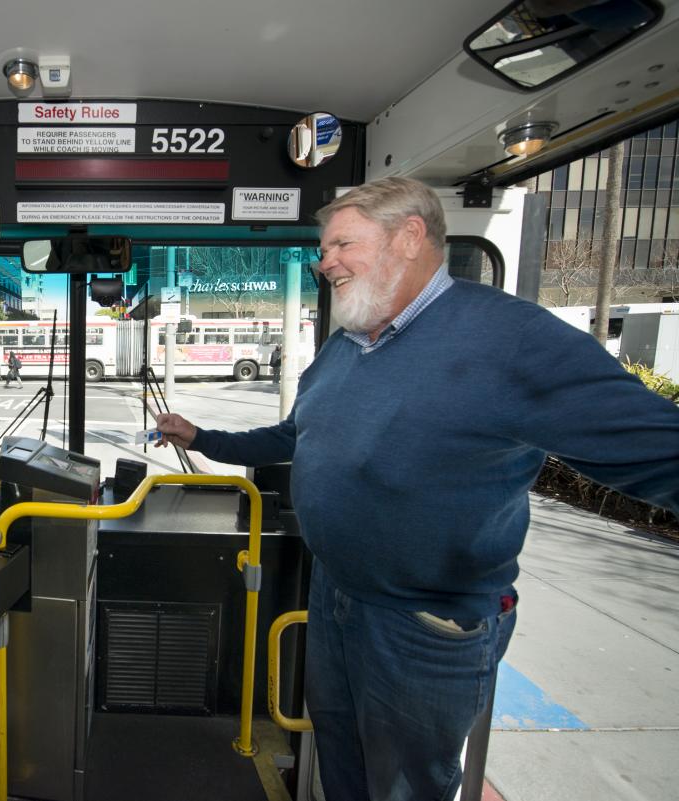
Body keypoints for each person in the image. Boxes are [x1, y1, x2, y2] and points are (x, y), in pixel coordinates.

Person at [154, 176, 679, 801]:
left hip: (424, 622)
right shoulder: (346, 346)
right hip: (336, 598)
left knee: (407, 784)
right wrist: (203, 436)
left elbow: (655, 446)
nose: (325, 264)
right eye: (324, 251)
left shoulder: (510, 339)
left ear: (409, 237)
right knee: (341, 760)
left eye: (341, 245)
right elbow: (295, 437)